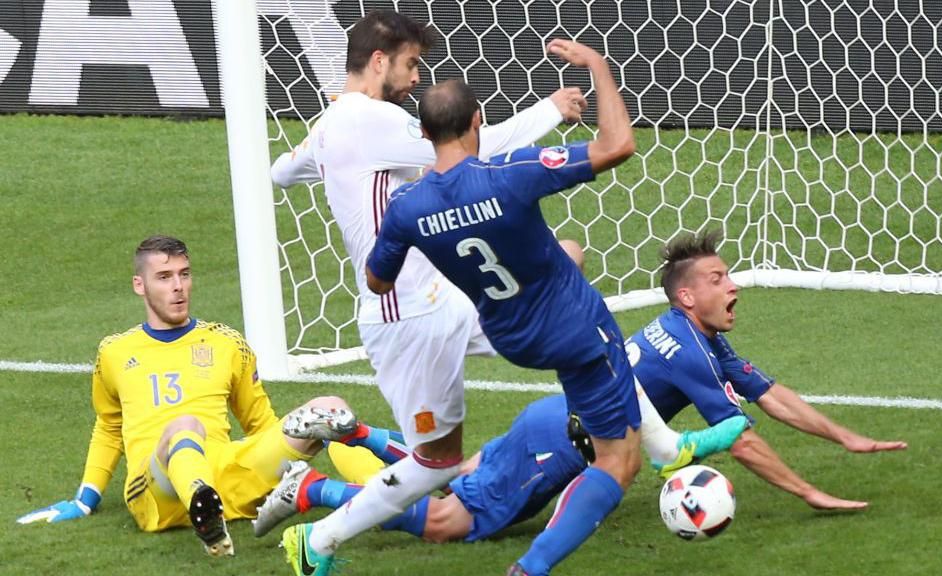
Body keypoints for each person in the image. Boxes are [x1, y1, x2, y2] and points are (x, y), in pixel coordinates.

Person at [270, 10, 590, 576]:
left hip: (443, 299)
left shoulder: (330, 126)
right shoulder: (370, 120)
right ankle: (319, 534)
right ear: (377, 61)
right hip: (405, 316)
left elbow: (280, 173)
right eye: (411, 64)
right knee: (437, 464)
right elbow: (472, 146)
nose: (417, 78)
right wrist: (552, 108)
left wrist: (311, 162)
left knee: (566, 326)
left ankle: (658, 445)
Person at [358, 39, 639, 576]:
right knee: (618, 460)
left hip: (512, 338)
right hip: (575, 333)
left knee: (568, 254)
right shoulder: (509, 172)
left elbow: (376, 281)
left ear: (422, 133)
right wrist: (598, 66)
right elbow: (618, 144)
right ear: (478, 122)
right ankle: (530, 568)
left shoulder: (407, 208)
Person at [14, 235, 381, 557]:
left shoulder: (226, 342)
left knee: (327, 411)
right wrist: (85, 499)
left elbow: (260, 423)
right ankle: (204, 511)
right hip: (157, 491)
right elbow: (110, 427)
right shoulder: (114, 352)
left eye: (184, 274)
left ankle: (388, 493)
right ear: (139, 285)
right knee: (185, 426)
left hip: (227, 476)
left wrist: (289, 454)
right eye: (164, 277)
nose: (178, 287)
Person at [627, 230, 908, 510]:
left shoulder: (687, 332)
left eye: (728, 275)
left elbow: (768, 394)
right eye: (717, 280)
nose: (732, 286)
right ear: (687, 297)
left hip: (599, 439)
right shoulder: (689, 352)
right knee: (615, 474)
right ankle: (674, 452)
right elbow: (738, 439)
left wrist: (846, 437)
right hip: (584, 451)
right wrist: (808, 492)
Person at [255, 391, 746, 542]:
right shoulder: (682, 355)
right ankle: (312, 489)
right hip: (562, 442)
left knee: (460, 472)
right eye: (721, 279)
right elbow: (674, 452)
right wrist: (730, 427)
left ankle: (359, 436)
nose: (732, 290)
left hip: (549, 418)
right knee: (450, 521)